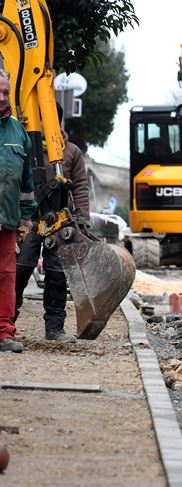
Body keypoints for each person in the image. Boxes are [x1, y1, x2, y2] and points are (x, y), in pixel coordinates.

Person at [15, 104, 89, 343]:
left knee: (57, 275)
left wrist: (83, 219)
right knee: (19, 270)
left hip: (60, 223)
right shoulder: (25, 147)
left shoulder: (70, 152)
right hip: (30, 220)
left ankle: (55, 329)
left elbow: (80, 187)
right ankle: (6, 324)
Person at [0, 73, 36, 353]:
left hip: (8, 220)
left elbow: (26, 184)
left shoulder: (18, 133)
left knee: (6, 276)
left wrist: (26, 219)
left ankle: (4, 333)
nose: (1, 98)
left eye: (5, 92)